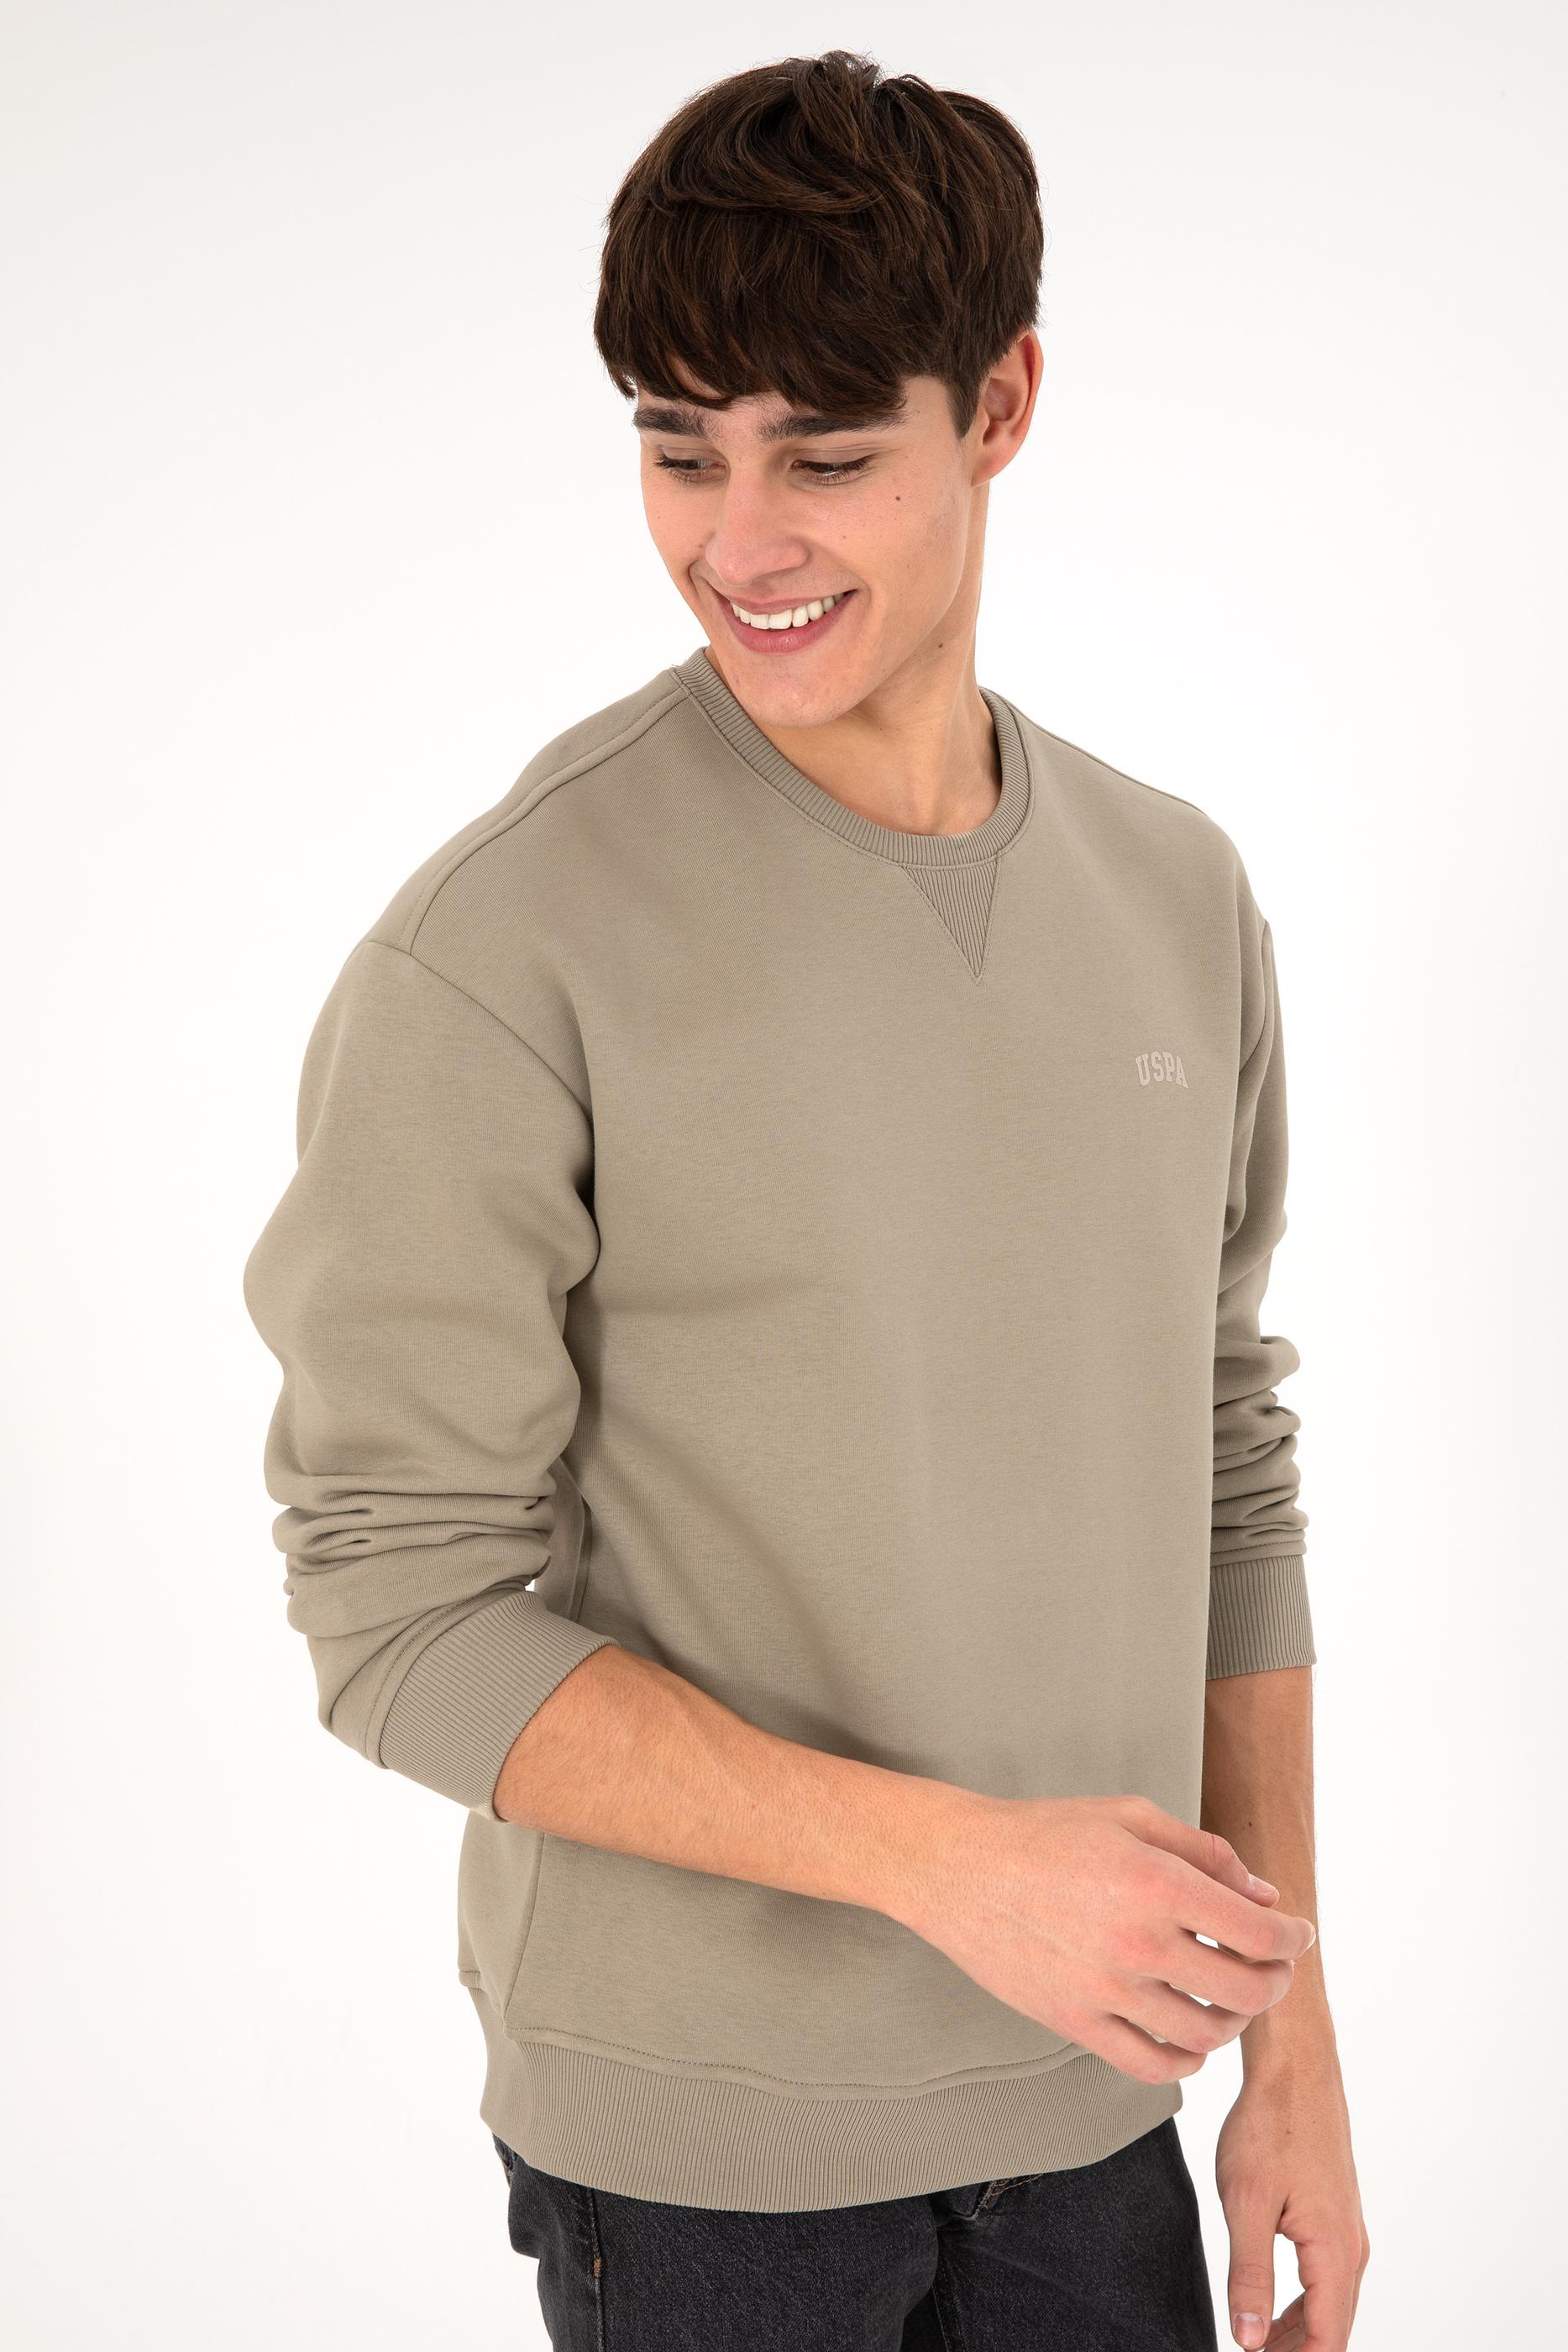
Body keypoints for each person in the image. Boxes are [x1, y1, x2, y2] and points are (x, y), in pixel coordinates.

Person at [242, 45, 1369, 2352]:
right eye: (681, 451)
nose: (736, 543)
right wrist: (956, 1873)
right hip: (701, 2164)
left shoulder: (1173, 895)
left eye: (824, 457)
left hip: (1103, 2099)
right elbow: (395, 1613)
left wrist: (1294, 2043)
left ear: (1001, 405)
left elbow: (1221, 1457)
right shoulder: (504, 948)